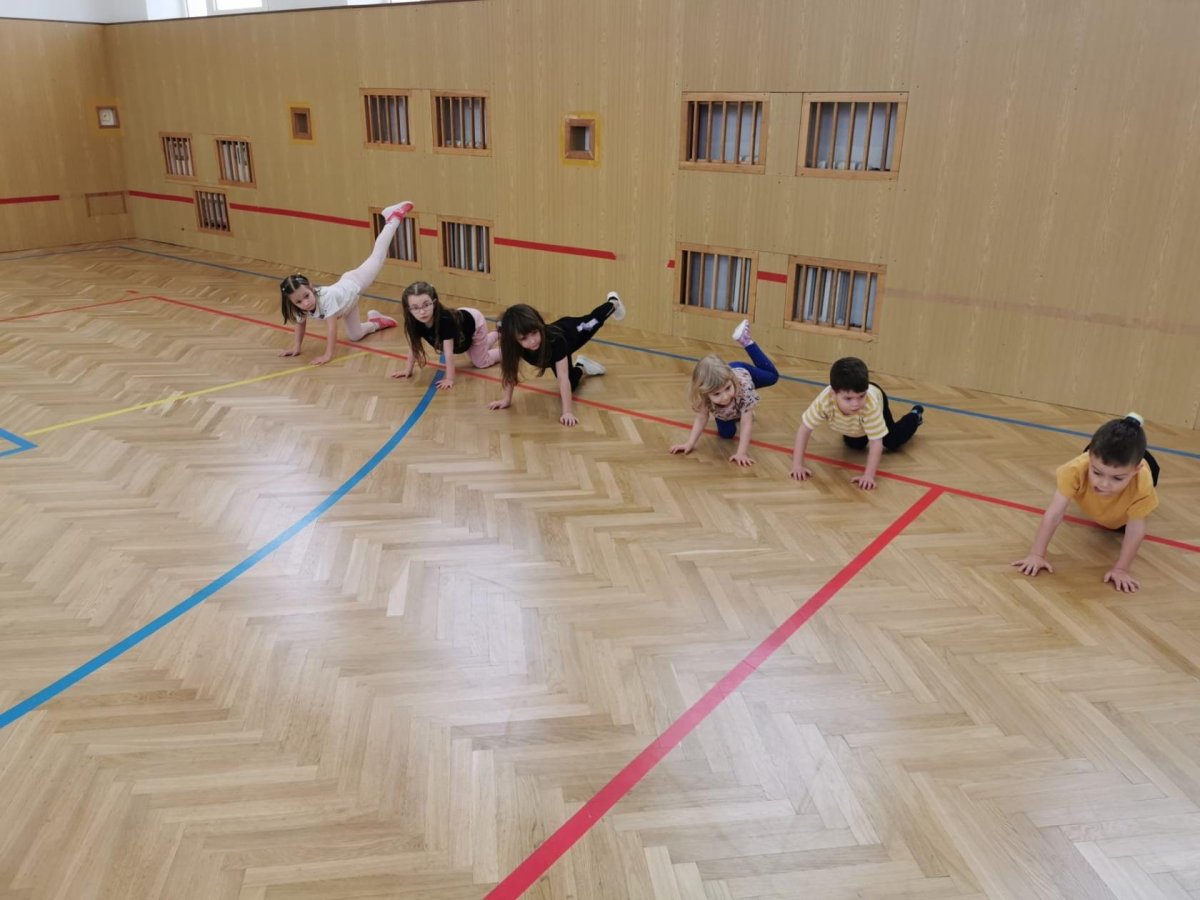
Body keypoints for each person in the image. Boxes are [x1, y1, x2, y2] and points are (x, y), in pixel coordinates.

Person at [1012, 413, 1160, 593]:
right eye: (1097, 473)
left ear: (1136, 470)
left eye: (1117, 478)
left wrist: (1121, 569)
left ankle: (1131, 427)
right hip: (1092, 462)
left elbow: (1136, 529)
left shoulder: (1142, 484)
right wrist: (1036, 554)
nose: (1104, 484)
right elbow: (1055, 513)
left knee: (1120, 525)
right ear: (1089, 458)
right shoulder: (1075, 469)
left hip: (1147, 467)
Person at [278, 201, 412, 364]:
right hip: (347, 304)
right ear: (292, 302)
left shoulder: (325, 298)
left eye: (306, 296)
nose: (305, 303)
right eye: (298, 302)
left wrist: (328, 355)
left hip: (354, 282)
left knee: (377, 257)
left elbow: (332, 328)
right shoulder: (298, 307)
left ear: (311, 288)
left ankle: (392, 218)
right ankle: (376, 322)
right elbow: (300, 325)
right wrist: (296, 347)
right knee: (355, 336)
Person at [487, 292, 625, 426]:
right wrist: (506, 400)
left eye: (534, 333)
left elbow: (562, 378)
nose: (532, 341)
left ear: (540, 326)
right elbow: (510, 372)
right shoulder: (513, 346)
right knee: (572, 384)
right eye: (524, 338)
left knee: (594, 320)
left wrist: (567, 412)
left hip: (572, 332)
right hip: (554, 355)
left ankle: (613, 302)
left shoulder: (555, 341)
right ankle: (582, 366)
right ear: (515, 339)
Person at [790, 356, 923, 489]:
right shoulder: (824, 401)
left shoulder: (870, 405)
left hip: (878, 398)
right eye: (848, 399)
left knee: (892, 441)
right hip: (856, 423)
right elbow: (805, 429)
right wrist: (797, 465)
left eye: (861, 396)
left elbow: (876, 442)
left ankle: (915, 415)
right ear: (833, 393)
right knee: (854, 445)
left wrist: (868, 475)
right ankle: (861, 428)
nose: (856, 404)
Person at [668, 319, 779, 467]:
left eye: (727, 389)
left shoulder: (743, 390)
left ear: (730, 380)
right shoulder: (705, 398)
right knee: (727, 434)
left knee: (772, 377)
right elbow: (701, 418)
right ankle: (737, 409)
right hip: (730, 386)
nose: (725, 397)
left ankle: (746, 341)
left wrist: (741, 453)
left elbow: (746, 424)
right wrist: (689, 443)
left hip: (742, 375)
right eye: (717, 394)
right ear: (705, 393)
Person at [390, 281, 500, 389]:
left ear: (434, 303)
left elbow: (448, 354)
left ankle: (506, 350)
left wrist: (450, 379)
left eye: (426, 305)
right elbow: (414, 347)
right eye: (415, 307)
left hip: (475, 324)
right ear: (408, 309)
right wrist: (407, 370)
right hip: (461, 321)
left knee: (481, 362)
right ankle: (498, 333)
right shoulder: (414, 322)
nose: (422, 312)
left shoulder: (445, 322)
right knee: (477, 350)